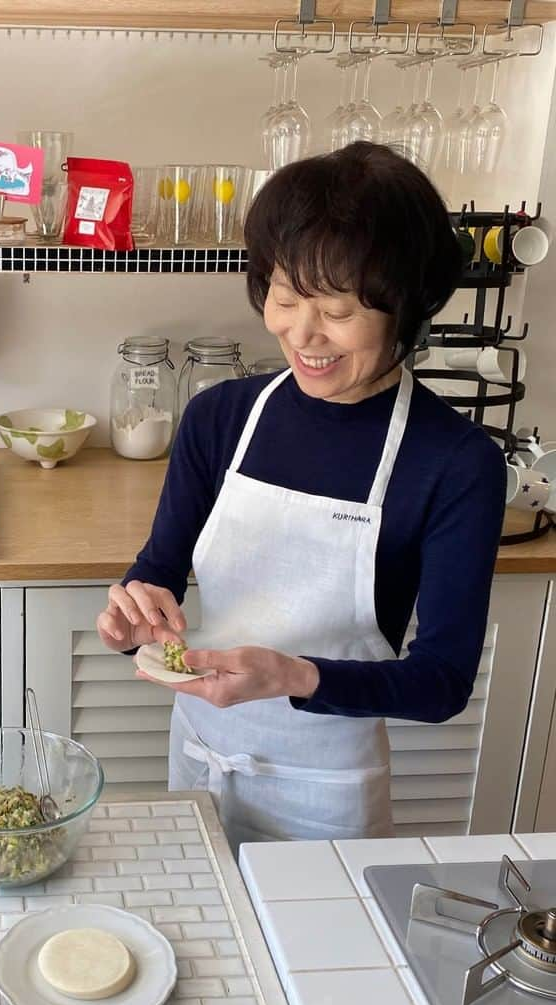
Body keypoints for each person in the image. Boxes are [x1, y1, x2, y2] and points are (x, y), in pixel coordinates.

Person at [96, 142, 506, 850]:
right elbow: (159, 569)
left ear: (406, 311)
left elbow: (440, 683)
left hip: (328, 789)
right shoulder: (220, 418)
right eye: (285, 299)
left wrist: (292, 676)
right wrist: (133, 608)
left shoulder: (455, 462)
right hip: (201, 755)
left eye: (338, 312)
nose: (303, 334)